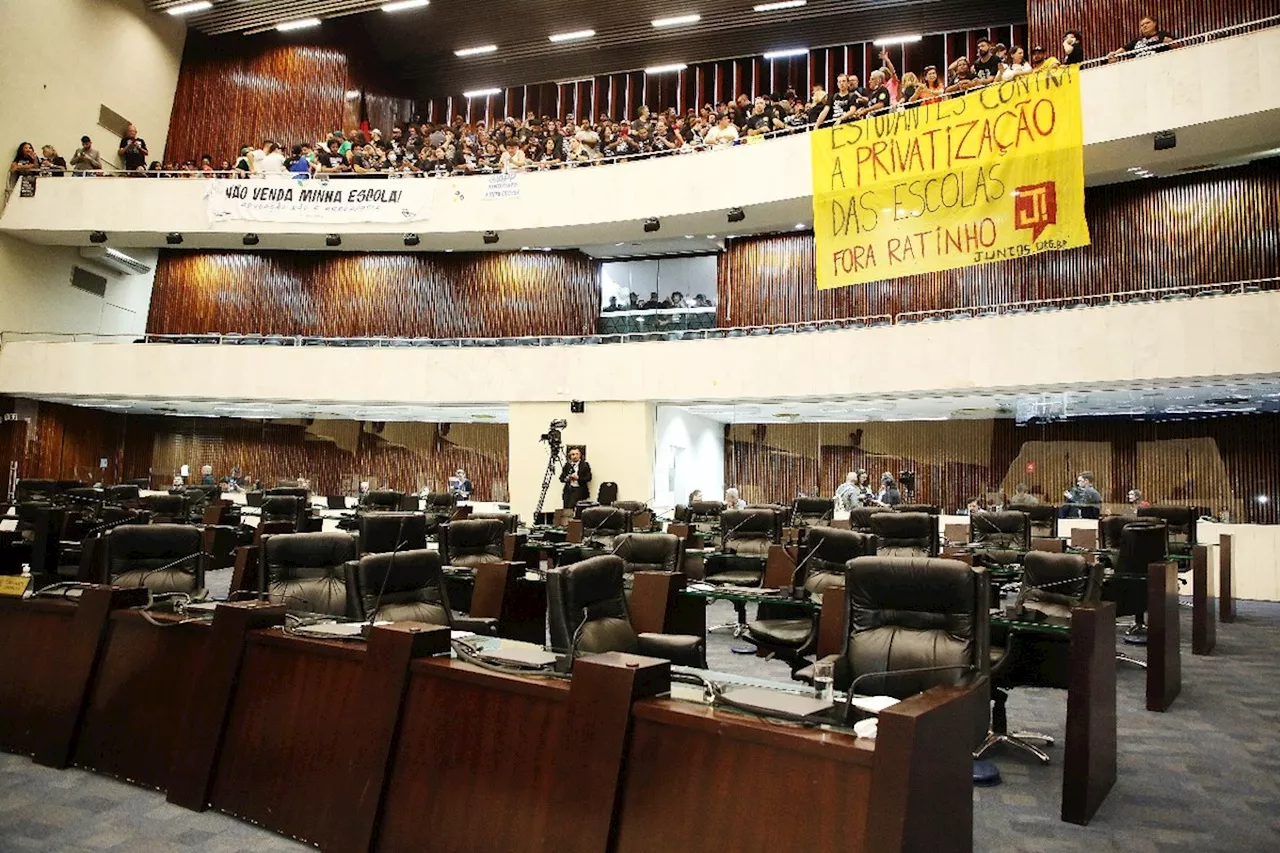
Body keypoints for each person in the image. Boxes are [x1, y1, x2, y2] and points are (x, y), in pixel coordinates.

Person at [1109, 16, 1174, 61]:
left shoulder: (1163, 34)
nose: (1145, 26)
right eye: (1142, 25)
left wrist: (1171, 43)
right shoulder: (1137, 40)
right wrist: (1114, 54)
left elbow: (1179, 46)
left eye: (1147, 23)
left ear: (1154, 24)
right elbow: (1123, 49)